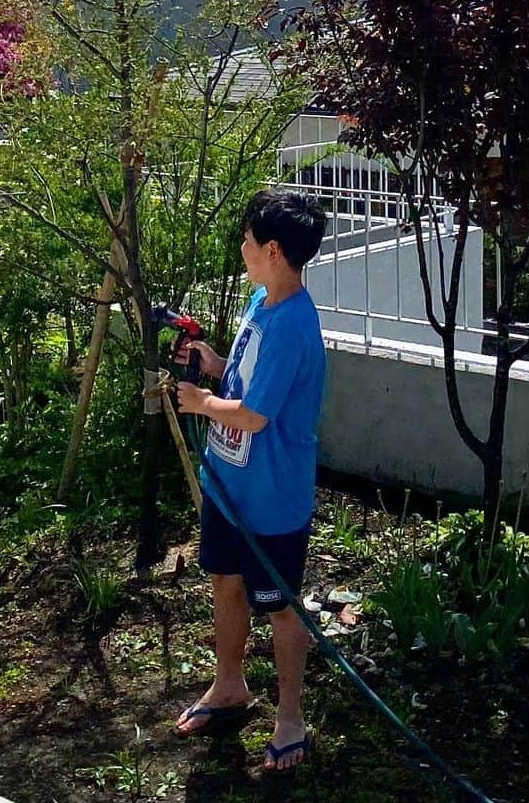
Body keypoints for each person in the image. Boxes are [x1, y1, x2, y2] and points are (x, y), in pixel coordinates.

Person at [173, 188, 327, 772]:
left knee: (281, 609)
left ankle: (290, 718)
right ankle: (229, 685)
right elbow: (248, 383)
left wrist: (202, 401)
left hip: (270, 501)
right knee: (226, 583)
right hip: (229, 484)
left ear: (271, 249)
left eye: (246, 240)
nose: (241, 248)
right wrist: (218, 368)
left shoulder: (292, 326)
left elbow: (255, 416)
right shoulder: (262, 303)